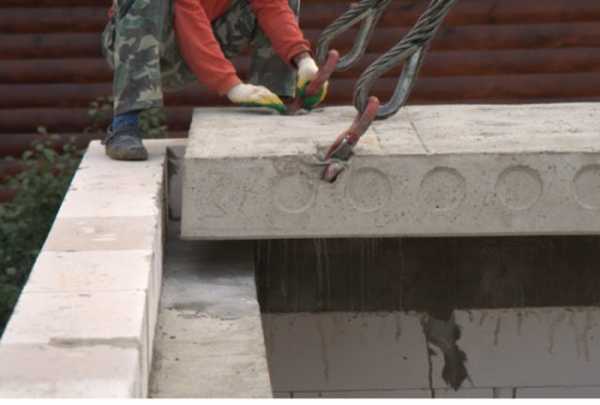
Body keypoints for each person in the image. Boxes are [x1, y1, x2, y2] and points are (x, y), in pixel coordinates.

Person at [101, 0, 326, 161]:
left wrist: (303, 60)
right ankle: (124, 125)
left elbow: (272, 6)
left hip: (200, 38)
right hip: (146, 47)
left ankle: (274, 104)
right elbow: (189, 16)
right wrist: (231, 85)